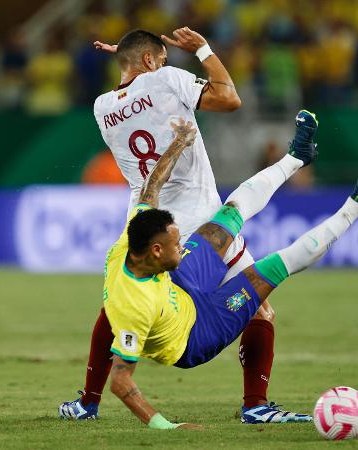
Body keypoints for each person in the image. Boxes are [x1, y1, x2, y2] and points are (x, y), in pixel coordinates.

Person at [59, 116, 358, 428]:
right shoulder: (135, 306)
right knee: (273, 268)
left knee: (228, 214)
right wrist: (164, 426)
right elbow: (120, 380)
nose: (181, 246)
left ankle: (295, 158)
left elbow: (151, 187)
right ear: (156, 251)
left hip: (179, 284)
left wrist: (179, 142)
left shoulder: (132, 240)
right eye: (176, 244)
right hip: (196, 332)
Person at [60, 27, 316, 423]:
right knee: (259, 309)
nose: (166, 63)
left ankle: (87, 403)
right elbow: (229, 97)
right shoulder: (165, 78)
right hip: (198, 223)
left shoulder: (101, 106)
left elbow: (136, 95)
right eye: (161, 58)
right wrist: (203, 50)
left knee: (119, 305)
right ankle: (256, 406)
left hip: (146, 222)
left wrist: (132, 57)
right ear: (150, 62)